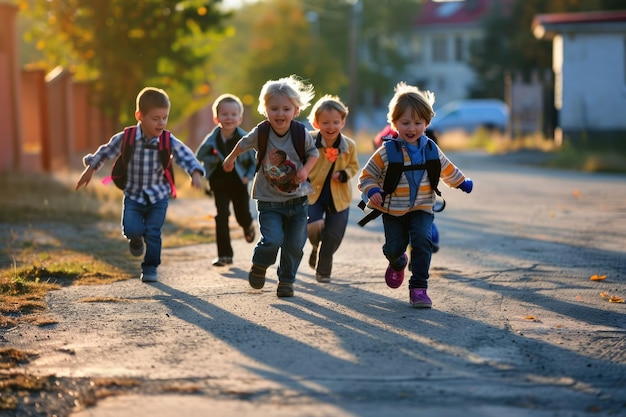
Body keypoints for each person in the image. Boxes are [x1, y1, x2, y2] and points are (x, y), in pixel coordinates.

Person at [358, 82, 473, 308]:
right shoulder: (386, 151)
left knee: (422, 241)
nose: (412, 128)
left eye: (418, 123)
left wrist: (462, 182)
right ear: (394, 123)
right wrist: (372, 190)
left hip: (422, 207)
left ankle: (419, 288)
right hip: (392, 209)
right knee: (394, 248)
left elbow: (446, 168)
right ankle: (397, 261)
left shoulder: (430, 148)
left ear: (426, 123)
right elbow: (366, 176)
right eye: (405, 122)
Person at [76, 87, 205, 283]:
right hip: (133, 195)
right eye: (155, 118)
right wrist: (90, 169)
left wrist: (195, 172)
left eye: (165, 117)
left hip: (158, 196)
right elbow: (105, 151)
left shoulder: (167, 140)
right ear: (140, 116)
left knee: (153, 232)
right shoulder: (127, 138)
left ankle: (150, 267)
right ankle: (135, 239)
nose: (161, 123)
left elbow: (185, 154)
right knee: (131, 229)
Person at [222, 75, 319, 298]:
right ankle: (259, 265)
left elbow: (314, 153)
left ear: (295, 111)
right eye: (274, 108)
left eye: (286, 109)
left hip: (297, 200)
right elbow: (242, 143)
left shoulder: (300, 133)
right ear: (265, 109)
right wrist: (230, 158)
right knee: (273, 240)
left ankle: (286, 281)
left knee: (295, 245)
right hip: (269, 201)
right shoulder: (262, 132)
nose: (280, 114)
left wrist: (305, 170)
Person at [196, 94, 256, 267]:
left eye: (233, 114)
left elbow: (254, 162)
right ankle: (225, 255)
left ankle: (247, 226)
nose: (229, 118)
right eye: (224, 114)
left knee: (241, 215)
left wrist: (248, 176)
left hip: (239, 182)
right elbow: (200, 155)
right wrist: (213, 161)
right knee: (221, 216)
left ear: (240, 118)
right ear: (216, 118)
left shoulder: (245, 139)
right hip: (219, 182)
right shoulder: (212, 138)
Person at [305, 95, 360, 283]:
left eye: (336, 122)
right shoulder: (308, 141)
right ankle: (314, 247)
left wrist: (344, 174)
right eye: (325, 122)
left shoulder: (349, 145)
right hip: (313, 195)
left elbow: (353, 166)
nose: (331, 127)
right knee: (313, 226)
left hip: (339, 196)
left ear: (343, 122)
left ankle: (323, 268)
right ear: (315, 122)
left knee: (333, 235)